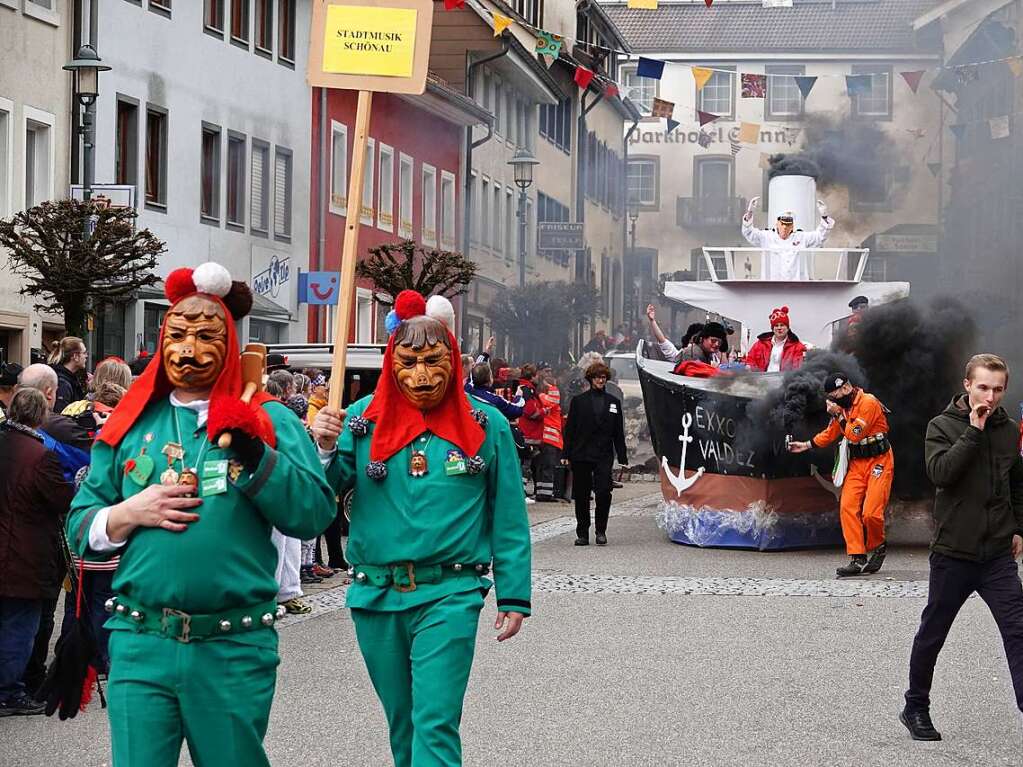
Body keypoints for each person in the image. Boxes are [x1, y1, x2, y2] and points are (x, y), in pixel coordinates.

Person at [65, 262, 335, 766]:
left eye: (206, 334)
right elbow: (79, 526)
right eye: (178, 333)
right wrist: (128, 512)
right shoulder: (132, 422)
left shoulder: (269, 418)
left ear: (229, 342)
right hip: (140, 641)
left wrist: (257, 455)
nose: (188, 348)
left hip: (232, 647)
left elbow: (313, 514)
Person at [311, 290, 531, 767]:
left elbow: (509, 514)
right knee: (403, 722)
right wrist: (324, 449)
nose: (423, 376)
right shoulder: (360, 419)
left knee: (434, 722)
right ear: (392, 362)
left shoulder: (486, 423)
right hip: (375, 594)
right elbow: (320, 499)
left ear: (453, 360)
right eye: (409, 363)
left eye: (434, 362)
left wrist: (513, 595)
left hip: (449, 591)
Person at [900, 354, 1023, 742]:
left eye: (998, 389)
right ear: (967, 385)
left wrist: (1019, 528)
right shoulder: (942, 426)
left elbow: (1017, 484)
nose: (990, 396)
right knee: (933, 634)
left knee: (1018, 630)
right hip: (954, 552)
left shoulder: (1009, 431)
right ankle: (915, 706)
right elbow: (941, 474)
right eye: (983, 387)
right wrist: (973, 431)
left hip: (998, 556)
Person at [0, 389, 74, 717]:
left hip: (11, 547)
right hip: (23, 553)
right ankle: (8, 691)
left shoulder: (6, 442)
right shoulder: (40, 455)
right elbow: (62, 500)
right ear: (41, 414)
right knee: (19, 625)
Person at [789, 373, 893, 577]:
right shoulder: (843, 409)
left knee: (871, 512)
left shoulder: (868, 403)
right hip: (857, 463)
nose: (833, 400)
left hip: (879, 461)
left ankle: (878, 546)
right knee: (848, 507)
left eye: (835, 395)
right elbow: (831, 432)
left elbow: (854, 434)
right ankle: (857, 557)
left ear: (846, 388)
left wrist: (838, 414)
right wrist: (807, 445)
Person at [562, 361, 628, 546]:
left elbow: (618, 431)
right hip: (581, 453)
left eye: (604, 377)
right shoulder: (579, 401)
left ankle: (601, 531)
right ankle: (582, 532)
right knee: (581, 495)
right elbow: (571, 430)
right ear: (590, 379)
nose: (601, 380)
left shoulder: (613, 403)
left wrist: (622, 456)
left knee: (603, 492)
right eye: (598, 377)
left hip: (603, 454)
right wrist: (565, 453)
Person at [741, 198, 835, 281]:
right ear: (777, 224)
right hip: (771, 289)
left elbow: (819, 236)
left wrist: (824, 217)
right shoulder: (766, 237)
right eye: (782, 224)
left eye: (788, 225)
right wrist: (750, 213)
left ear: (792, 226)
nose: (785, 227)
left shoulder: (801, 237)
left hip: (797, 289)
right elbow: (748, 233)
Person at [645, 305, 728, 366]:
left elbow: (725, 368)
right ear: (702, 339)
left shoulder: (712, 356)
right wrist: (652, 321)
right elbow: (664, 342)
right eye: (713, 341)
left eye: (719, 342)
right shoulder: (691, 354)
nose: (717, 344)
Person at [745, 306, 807, 373]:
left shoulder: (797, 347)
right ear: (772, 329)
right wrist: (749, 367)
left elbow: (798, 369)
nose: (779, 328)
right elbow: (749, 360)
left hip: (785, 381)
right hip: (762, 381)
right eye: (776, 326)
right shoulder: (760, 344)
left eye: (782, 325)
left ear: (788, 328)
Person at [51, 336, 88, 413]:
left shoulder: (66, 379)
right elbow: (61, 415)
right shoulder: (63, 384)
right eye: (84, 353)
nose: (86, 356)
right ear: (75, 356)